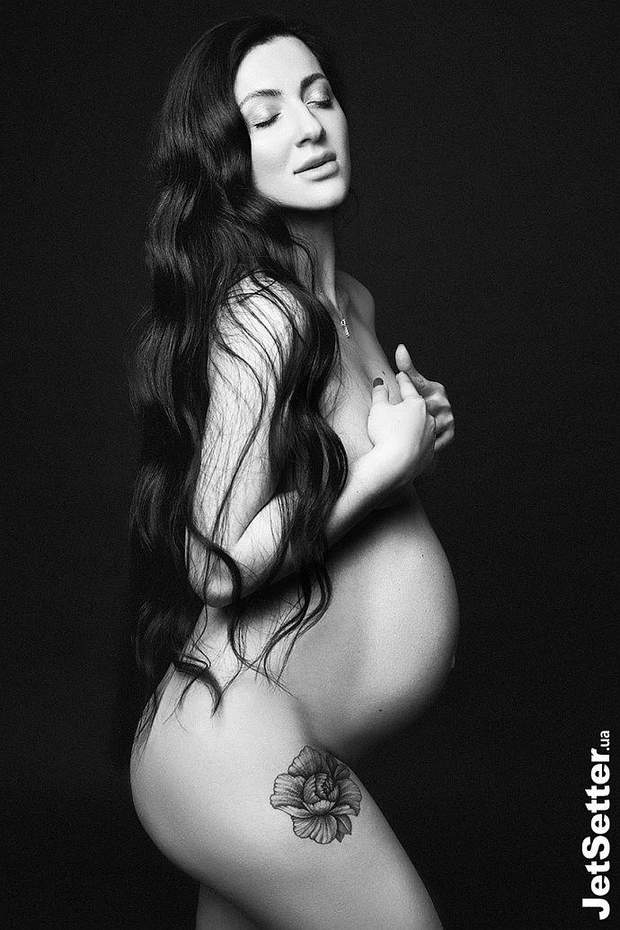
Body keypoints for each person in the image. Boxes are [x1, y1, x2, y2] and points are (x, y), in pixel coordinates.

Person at [128, 14, 458, 929]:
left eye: (320, 99)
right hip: (237, 745)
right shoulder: (262, 320)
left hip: (280, 738)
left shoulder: (350, 304)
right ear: (224, 159)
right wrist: (378, 469)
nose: (309, 127)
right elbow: (215, 566)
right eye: (266, 116)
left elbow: (345, 494)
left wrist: (416, 440)